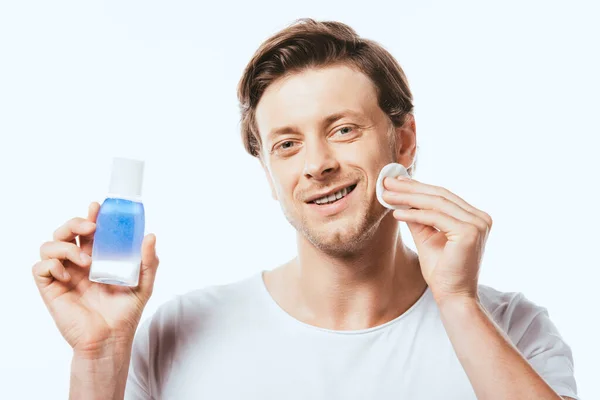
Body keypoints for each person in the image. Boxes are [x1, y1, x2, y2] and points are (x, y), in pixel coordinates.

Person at [33, 18, 579, 400]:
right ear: (269, 174)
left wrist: (457, 303)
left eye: (343, 130)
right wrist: (100, 358)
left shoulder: (514, 330)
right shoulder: (176, 334)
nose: (317, 165)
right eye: (287, 144)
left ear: (404, 142)